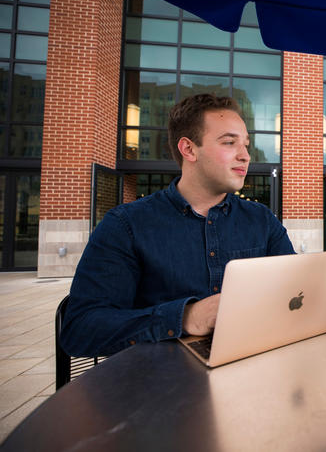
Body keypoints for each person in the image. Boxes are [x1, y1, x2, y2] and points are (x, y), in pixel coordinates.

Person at [61, 94, 295, 357]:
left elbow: (298, 293)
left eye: (246, 145)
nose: (245, 156)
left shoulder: (261, 219)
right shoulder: (126, 225)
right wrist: (185, 317)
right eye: (230, 142)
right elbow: (80, 330)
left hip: (252, 371)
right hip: (161, 385)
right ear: (189, 149)